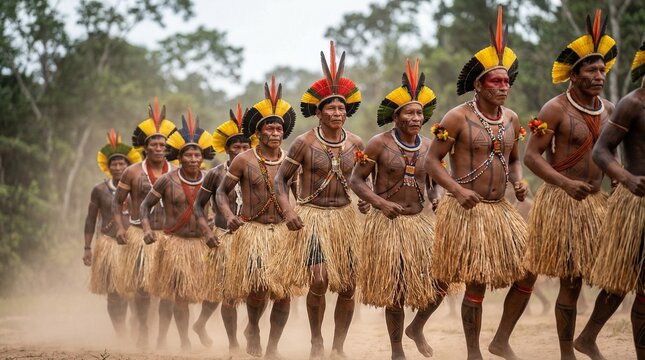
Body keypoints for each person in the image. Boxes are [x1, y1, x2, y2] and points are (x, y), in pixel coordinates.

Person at [426, 6, 534, 360]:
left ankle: (501, 339)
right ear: (478, 84)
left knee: (530, 270)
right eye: (496, 82)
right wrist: (456, 190)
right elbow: (431, 162)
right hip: (467, 212)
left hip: (500, 210)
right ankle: (474, 353)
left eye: (506, 82)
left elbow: (515, 159)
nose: (504, 88)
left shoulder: (512, 118)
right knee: (477, 280)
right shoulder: (456, 117)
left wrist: (518, 182)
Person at [522, 10, 623, 360]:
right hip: (564, 204)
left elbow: (610, 155)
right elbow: (532, 156)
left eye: (602, 69)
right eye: (591, 70)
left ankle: (589, 336)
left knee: (619, 276)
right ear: (574, 74)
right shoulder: (553, 109)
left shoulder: (610, 109)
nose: (599, 75)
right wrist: (564, 183)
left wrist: (620, 187)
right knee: (572, 280)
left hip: (598, 204)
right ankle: (567, 353)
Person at [272, 41, 367, 359]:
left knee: (350, 285)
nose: (337, 112)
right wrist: (288, 211)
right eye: (331, 108)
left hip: (345, 218)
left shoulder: (356, 143)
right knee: (320, 279)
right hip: (313, 218)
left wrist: (367, 199)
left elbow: (364, 180)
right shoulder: (303, 142)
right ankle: (316, 339)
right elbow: (280, 179)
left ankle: (338, 345)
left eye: (342, 108)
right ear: (319, 111)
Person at [350, 58, 445, 360]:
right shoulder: (378, 144)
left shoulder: (430, 146)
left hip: (419, 223)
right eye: (410, 112)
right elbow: (356, 180)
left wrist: (437, 196)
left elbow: (435, 181)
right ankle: (396, 351)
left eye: (420, 112)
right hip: (387, 224)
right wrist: (379, 202)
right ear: (397, 116)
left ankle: (416, 327)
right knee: (397, 289)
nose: (417, 117)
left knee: (442, 279)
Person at [216, 77, 297, 359]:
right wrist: (228, 216)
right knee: (258, 287)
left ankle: (273, 344)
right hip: (254, 231)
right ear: (259, 132)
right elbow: (221, 194)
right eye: (269, 128)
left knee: (284, 293)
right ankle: (253, 328)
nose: (275, 132)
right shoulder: (244, 160)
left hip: (284, 233)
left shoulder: (291, 161)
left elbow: (301, 195)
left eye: (279, 128)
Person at [584, 41, 645, 360]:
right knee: (634, 282)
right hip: (637, 204)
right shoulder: (632, 103)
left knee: (627, 282)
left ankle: (588, 336)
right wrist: (626, 178)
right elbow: (600, 150)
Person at [139, 109, 216, 351]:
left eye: (197, 155)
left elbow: (221, 205)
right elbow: (144, 206)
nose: (193, 159)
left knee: (215, 292)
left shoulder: (211, 179)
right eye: (189, 155)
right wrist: (147, 229)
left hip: (204, 245)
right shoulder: (167, 180)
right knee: (179, 295)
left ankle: (200, 324)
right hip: (176, 244)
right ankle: (183, 339)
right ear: (180, 157)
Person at [112, 98, 177, 349]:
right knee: (141, 288)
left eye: (163, 143)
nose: (159, 147)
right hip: (140, 235)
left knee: (168, 290)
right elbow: (116, 203)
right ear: (145, 147)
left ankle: (162, 335)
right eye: (154, 143)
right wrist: (120, 227)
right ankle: (143, 329)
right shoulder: (132, 172)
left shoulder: (176, 170)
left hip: (170, 237)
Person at [193, 103, 255, 352]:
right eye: (235, 147)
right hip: (224, 238)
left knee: (256, 289)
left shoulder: (259, 171)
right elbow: (199, 207)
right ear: (227, 148)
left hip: (255, 238)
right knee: (227, 292)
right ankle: (233, 343)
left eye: (245, 146)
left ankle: (253, 329)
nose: (240, 151)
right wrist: (207, 233)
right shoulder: (215, 174)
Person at [84, 129, 141, 338]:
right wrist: (87, 248)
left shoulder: (138, 186)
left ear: (128, 166)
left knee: (137, 290)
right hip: (109, 244)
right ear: (108, 168)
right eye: (114, 164)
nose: (118, 168)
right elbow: (90, 219)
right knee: (114, 293)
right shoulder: (99, 190)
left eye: (121, 164)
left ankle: (138, 326)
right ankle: (120, 331)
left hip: (134, 243)